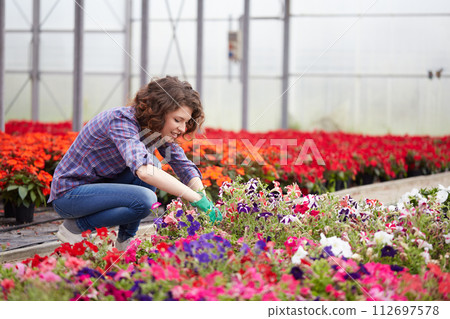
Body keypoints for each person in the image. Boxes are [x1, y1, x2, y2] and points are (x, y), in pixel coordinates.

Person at [48, 76, 222, 251]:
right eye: (178, 120)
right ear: (159, 112)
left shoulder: (156, 130)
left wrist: (202, 196)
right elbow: (145, 172)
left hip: (99, 188)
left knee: (153, 164)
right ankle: (76, 226)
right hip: (70, 195)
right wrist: (194, 198)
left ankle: (125, 242)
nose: (183, 129)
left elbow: (181, 164)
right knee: (146, 197)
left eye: (186, 122)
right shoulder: (121, 121)